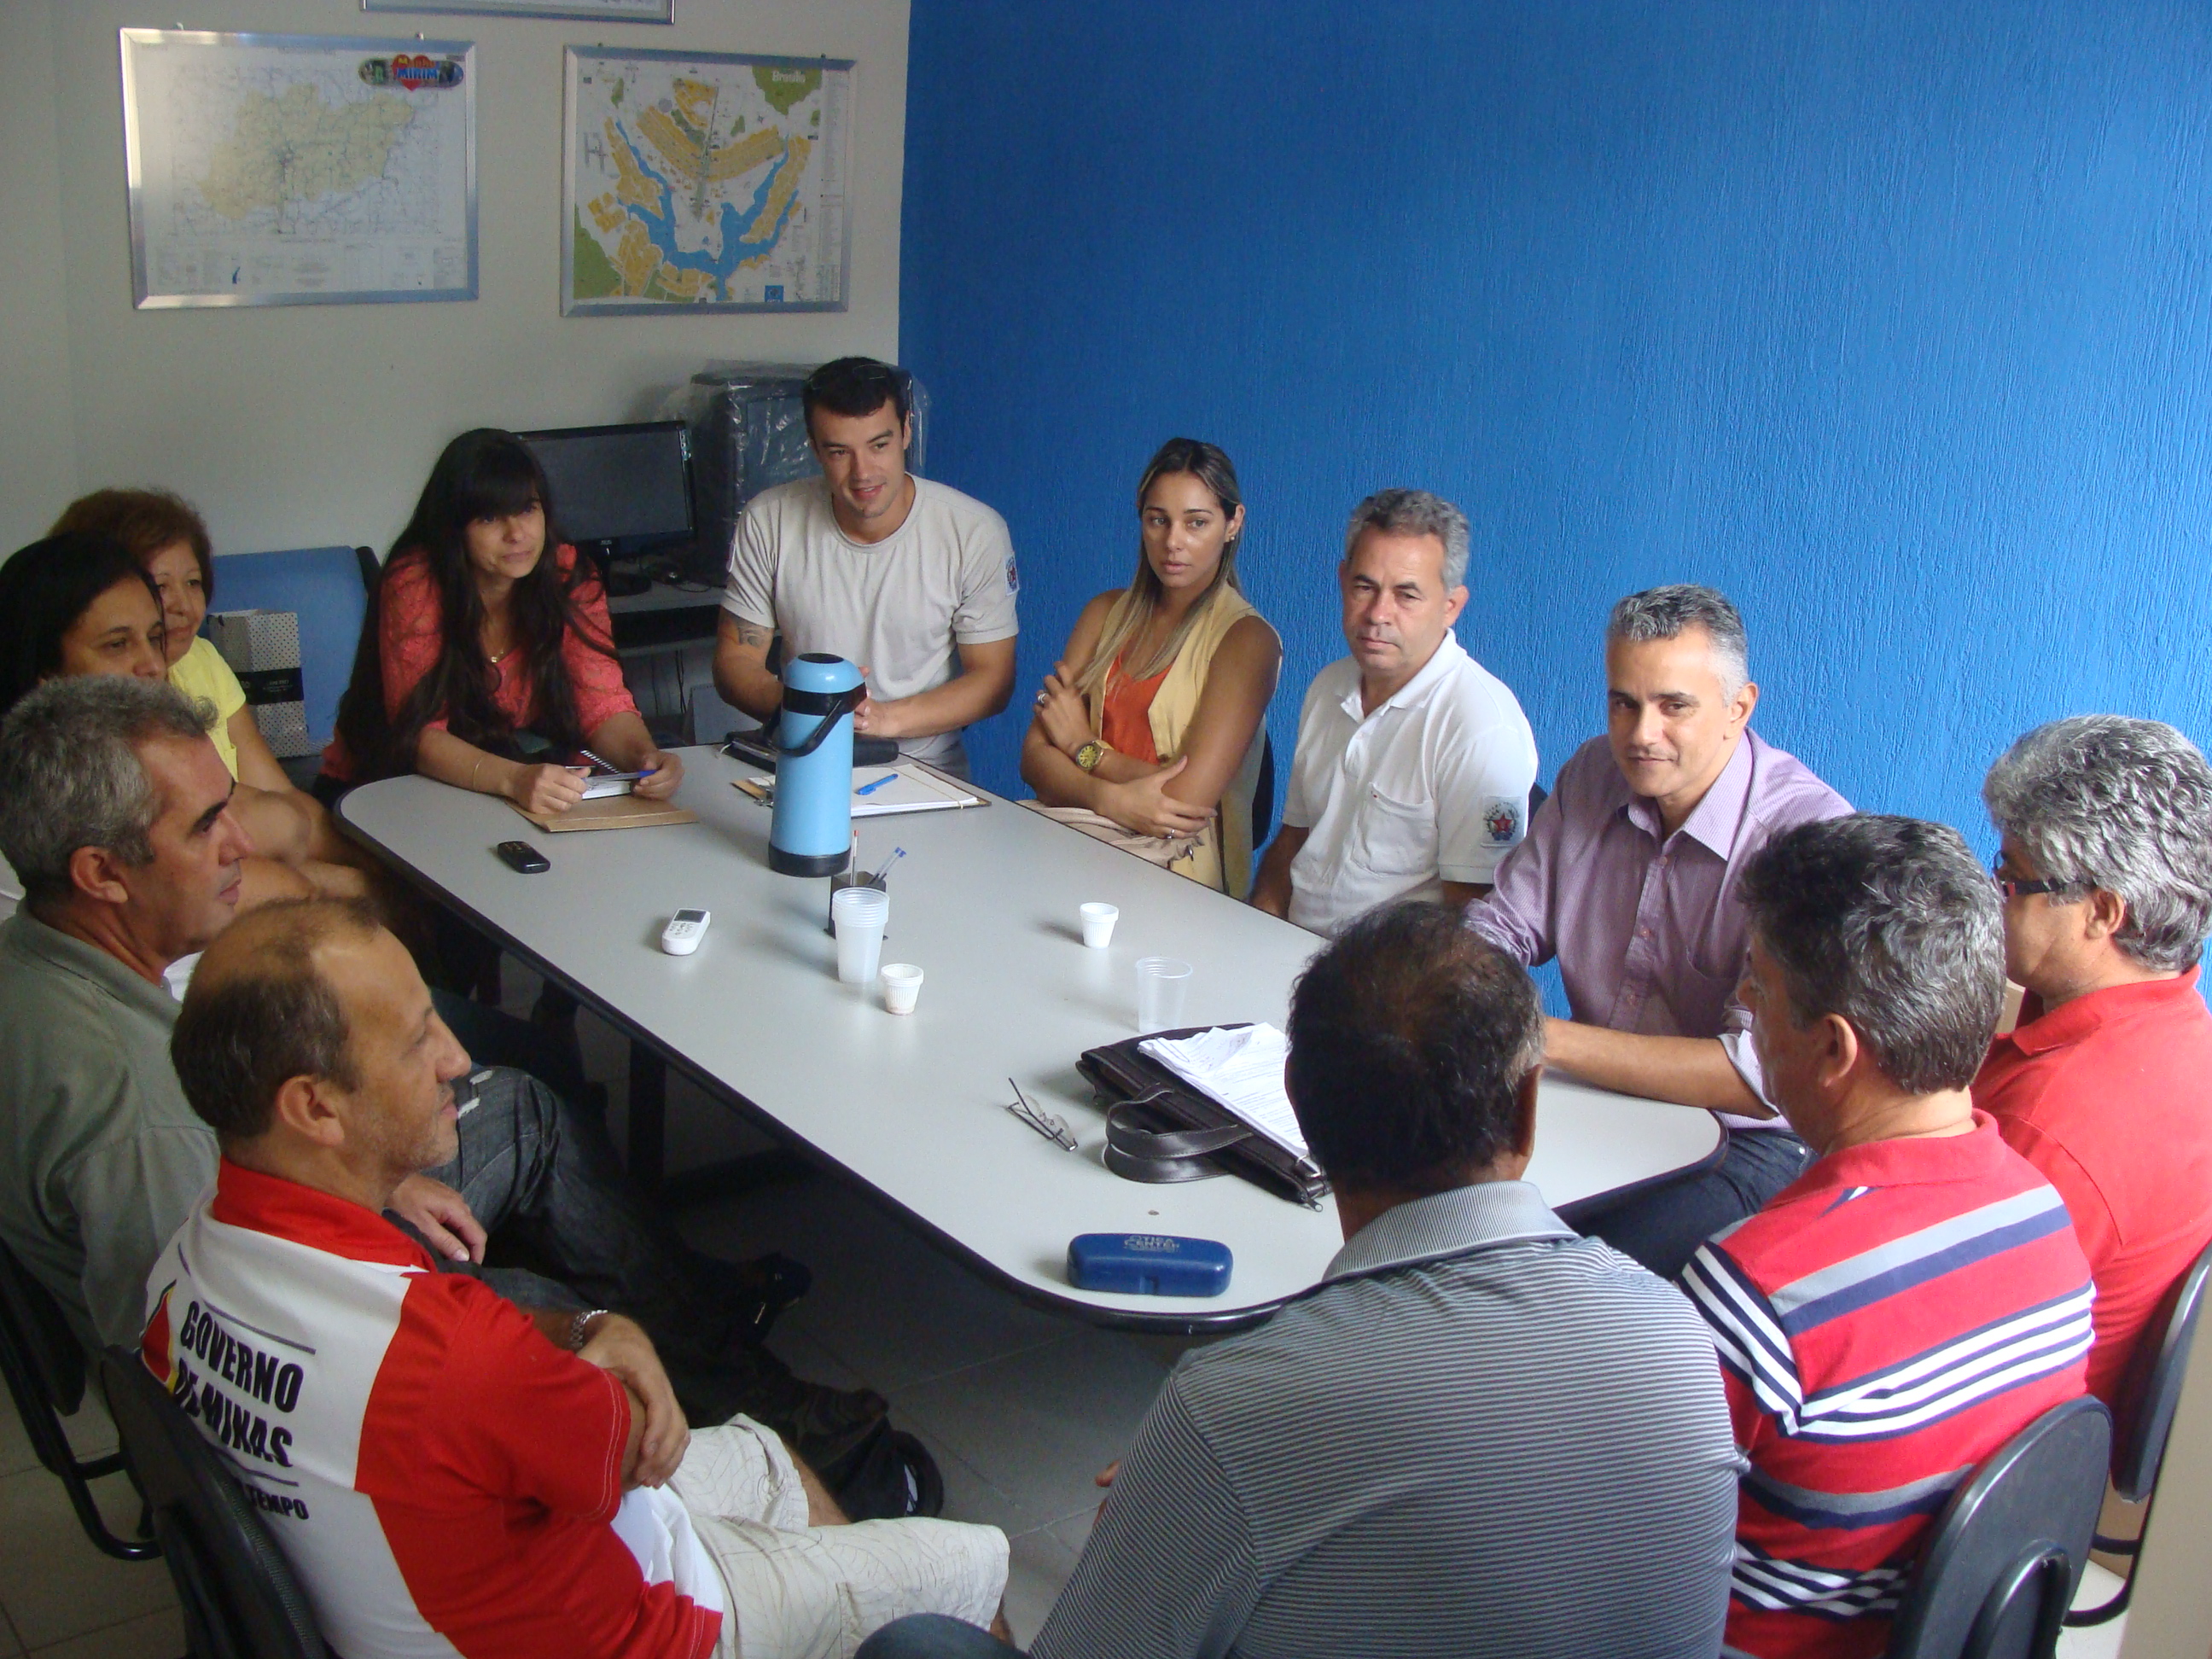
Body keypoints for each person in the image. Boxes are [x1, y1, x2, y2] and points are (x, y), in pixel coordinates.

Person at [0, 678, 909, 1511]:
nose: (238, 840)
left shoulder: (37, 955)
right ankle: (762, 1433)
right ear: (100, 873)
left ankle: (717, 1355)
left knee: (518, 1105)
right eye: (204, 826)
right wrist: (528, 1311)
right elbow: (213, 1356)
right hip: (322, 1323)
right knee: (552, 1300)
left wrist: (380, 1176)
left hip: (282, 1215)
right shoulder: (130, 1112)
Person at [863, 903, 1742, 1659]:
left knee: (915, 1643)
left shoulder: (1233, 1404)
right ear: (1527, 1107)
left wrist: (1188, 1490)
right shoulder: (1676, 1336)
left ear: (1299, 1111)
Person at [143, 897, 1010, 1659]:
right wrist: (611, 1336)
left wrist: (596, 1325)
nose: (454, 1058)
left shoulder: (180, 1279)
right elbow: (635, 1437)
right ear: (315, 1107)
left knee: (768, 1454)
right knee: (966, 1569)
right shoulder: (449, 1363)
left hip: (457, 1582)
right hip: (645, 1629)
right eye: (417, 1040)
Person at [1680, 815, 2094, 1659]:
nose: (1747, 1009)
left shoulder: (1753, 1295)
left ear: (1834, 1048)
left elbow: (1623, 1547)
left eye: (1757, 988)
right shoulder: (2045, 1217)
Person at [1468, 584, 1850, 1278]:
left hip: (1741, 1145)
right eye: (1624, 702)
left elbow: (1755, 1074)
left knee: (1554, 1281)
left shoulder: (1805, 839)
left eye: (1674, 706)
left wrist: (1536, 1038)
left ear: (1739, 710)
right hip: (1592, 1101)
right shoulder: (1592, 773)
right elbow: (1500, 926)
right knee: (1439, 1217)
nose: (1641, 734)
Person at [1975, 716, 2212, 1409]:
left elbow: (1934, 1346)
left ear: (2102, 912)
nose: (1998, 897)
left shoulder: (2047, 1128)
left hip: (1997, 1449)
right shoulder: (2184, 1031)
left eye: (2012, 877)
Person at [320, 428, 682, 812]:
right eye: (491, 517)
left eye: (528, 509)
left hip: (503, 776)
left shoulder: (567, 574)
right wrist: (514, 779)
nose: (517, 534)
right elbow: (420, 736)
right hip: (389, 784)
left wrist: (646, 760)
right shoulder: (416, 581)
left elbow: (602, 704)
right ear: (454, 527)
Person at [49, 489, 375, 903]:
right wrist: (351, 885)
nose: (184, 605)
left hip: (258, 852)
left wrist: (375, 864)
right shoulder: (101, 707)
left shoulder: (201, 659)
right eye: (159, 586)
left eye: (193, 582)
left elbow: (284, 797)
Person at [714, 358, 1018, 778]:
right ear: (814, 446)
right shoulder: (769, 519)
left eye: (879, 445)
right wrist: (809, 704)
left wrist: (877, 719)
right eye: (840, 452)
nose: (863, 474)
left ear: (906, 430)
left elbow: (994, 681)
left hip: (921, 769)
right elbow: (735, 659)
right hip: (803, 758)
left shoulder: (974, 531)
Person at [1251, 488, 1536, 934]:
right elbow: (1294, 840)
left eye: (1406, 596)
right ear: (1343, 581)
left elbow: (1472, 925)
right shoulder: (1328, 687)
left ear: (1451, 607)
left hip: (1391, 986)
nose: (1378, 614)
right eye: (1365, 587)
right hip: (1290, 953)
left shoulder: (1480, 726)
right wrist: (1258, 927)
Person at [1019, 439, 1280, 894]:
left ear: (1233, 523)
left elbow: (1184, 803)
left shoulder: (1248, 640)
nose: (1173, 542)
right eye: (1158, 520)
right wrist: (1111, 798)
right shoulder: (1103, 613)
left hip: (1178, 878)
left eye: (1196, 523)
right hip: (1075, 847)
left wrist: (1082, 747)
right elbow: (1033, 760)